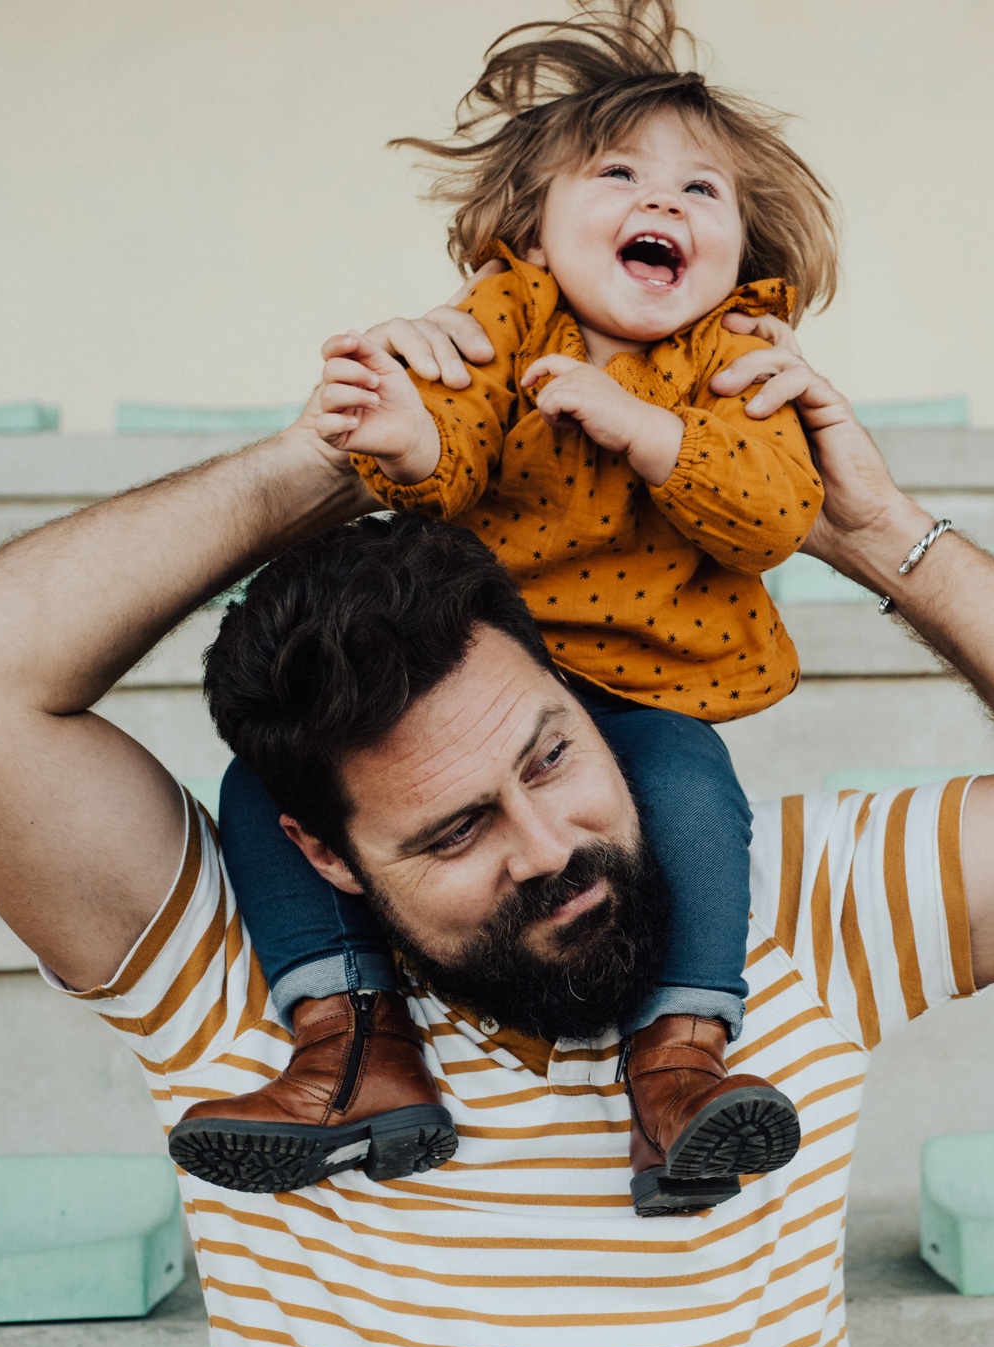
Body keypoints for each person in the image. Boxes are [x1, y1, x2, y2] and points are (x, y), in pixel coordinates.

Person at [0, 317, 994, 1347]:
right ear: (330, 854)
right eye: (458, 826)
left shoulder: (808, 911)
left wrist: (873, 528)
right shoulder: (222, 967)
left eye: (552, 753)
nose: (551, 844)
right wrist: (333, 455)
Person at [187, 0, 843, 1214]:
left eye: (704, 190)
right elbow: (461, 428)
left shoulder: (737, 354)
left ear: (742, 245)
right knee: (266, 789)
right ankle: (353, 1050)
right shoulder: (505, 317)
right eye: (619, 174)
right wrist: (403, 430)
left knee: (692, 787)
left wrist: (644, 428)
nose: (666, 203)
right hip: (475, 673)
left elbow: (770, 514)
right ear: (531, 229)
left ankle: (678, 1071)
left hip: (642, 689)